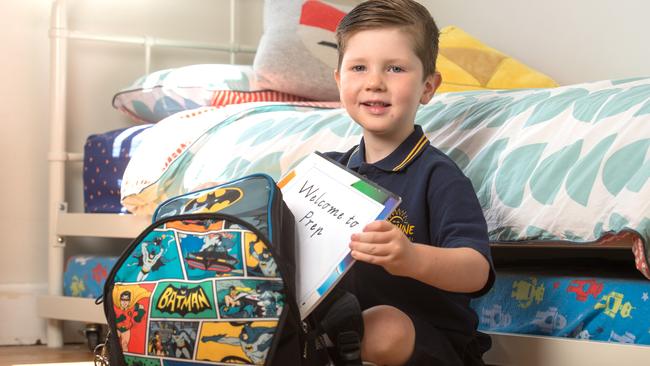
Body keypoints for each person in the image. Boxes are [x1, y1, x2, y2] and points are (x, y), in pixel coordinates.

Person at [324, 1, 495, 365]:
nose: (374, 82)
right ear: (339, 80)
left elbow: (477, 269)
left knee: (386, 326)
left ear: (427, 87)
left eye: (395, 68)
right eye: (358, 67)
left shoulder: (437, 175)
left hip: (430, 342)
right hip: (340, 329)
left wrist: (411, 257)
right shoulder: (326, 172)